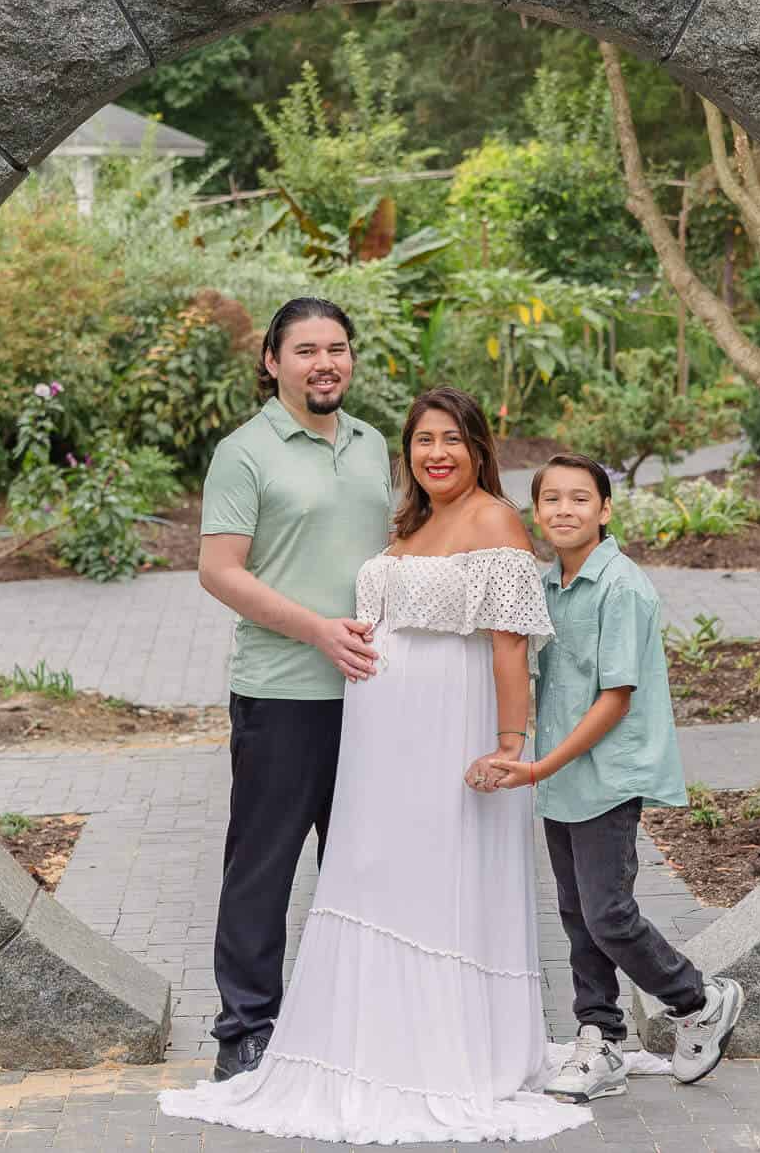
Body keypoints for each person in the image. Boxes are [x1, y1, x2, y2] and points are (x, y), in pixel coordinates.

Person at [162, 388, 592, 1144]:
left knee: (432, 878)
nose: (436, 453)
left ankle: (442, 1048)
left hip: (446, 729)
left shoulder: (495, 519)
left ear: (479, 447)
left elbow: (511, 643)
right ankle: (364, 1038)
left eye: (451, 440)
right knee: (372, 876)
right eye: (423, 440)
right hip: (379, 738)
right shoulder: (413, 521)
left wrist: (510, 740)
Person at [489, 453, 745, 1102]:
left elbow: (615, 698)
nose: (565, 510)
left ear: (605, 510)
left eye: (581, 499)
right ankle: (600, 1038)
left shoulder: (621, 586)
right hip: (561, 777)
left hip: (604, 776)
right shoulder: (547, 585)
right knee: (578, 914)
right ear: (537, 511)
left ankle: (699, 999)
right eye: (552, 500)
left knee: (608, 912)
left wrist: (539, 764)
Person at [194, 297, 394, 1082]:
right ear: (272, 361)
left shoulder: (376, 443)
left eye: (337, 347)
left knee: (364, 865)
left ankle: (358, 1018)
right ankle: (244, 1027)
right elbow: (219, 571)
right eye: (306, 349)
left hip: (374, 695)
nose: (325, 362)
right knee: (263, 866)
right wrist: (317, 628)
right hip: (281, 694)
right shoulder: (244, 453)